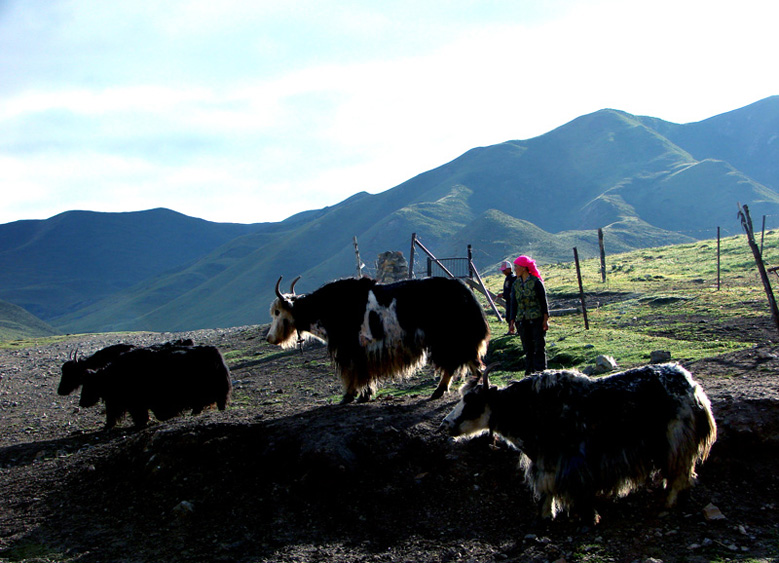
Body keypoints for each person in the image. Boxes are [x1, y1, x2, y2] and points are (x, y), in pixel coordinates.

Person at [509, 255, 549, 374]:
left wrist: (545, 320)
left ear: (524, 268)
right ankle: (529, 373)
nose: (515, 269)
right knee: (527, 348)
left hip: (536, 319)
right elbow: (513, 304)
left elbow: (543, 302)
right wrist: (511, 322)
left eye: (516, 266)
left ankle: (541, 372)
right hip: (522, 320)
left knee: (538, 346)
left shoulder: (536, 282)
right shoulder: (515, 284)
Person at [499, 260, 516, 334]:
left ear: (509, 269)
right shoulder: (508, 278)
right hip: (509, 300)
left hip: (512, 300)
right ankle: (511, 330)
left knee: (511, 315)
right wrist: (503, 294)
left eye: (504, 270)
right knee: (509, 315)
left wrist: (506, 295)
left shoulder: (512, 278)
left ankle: (513, 330)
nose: (503, 272)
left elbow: (511, 290)